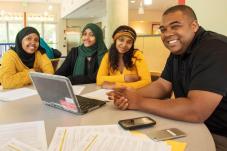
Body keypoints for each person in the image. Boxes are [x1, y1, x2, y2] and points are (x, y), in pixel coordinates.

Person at [108, 5, 227, 151]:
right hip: (192, 125)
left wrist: (138, 101)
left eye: (175, 26)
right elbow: (162, 86)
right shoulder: (178, 51)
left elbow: (196, 110)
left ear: (194, 25)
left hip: (218, 134)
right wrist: (129, 94)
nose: (167, 34)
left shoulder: (215, 48)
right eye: (163, 29)